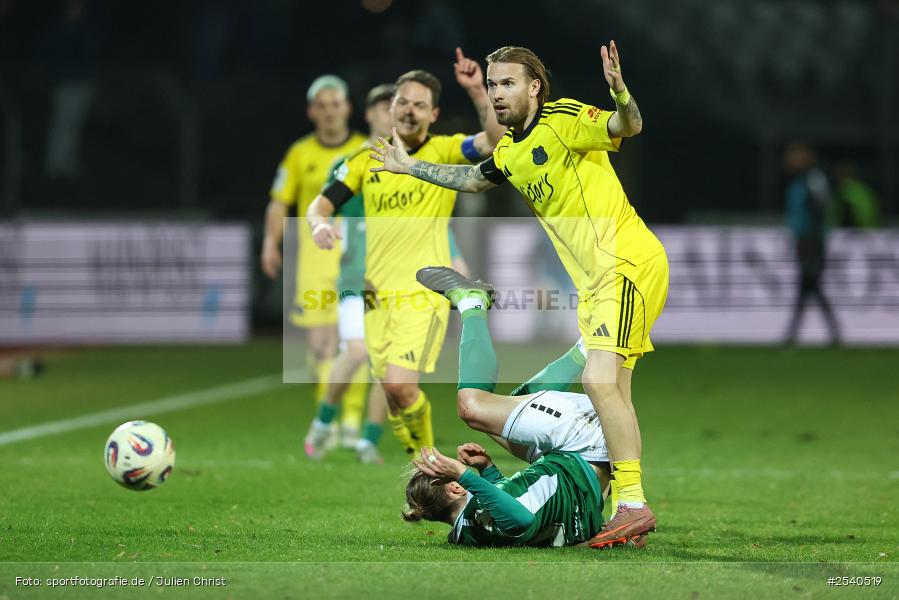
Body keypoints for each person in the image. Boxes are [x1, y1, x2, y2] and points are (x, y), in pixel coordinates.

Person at [370, 42, 666, 546]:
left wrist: (620, 92)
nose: (497, 93)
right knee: (614, 392)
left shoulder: (565, 118)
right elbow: (471, 178)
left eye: (507, 83)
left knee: (598, 382)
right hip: (594, 283)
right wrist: (410, 167)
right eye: (491, 85)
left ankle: (634, 504)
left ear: (534, 86)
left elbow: (628, 126)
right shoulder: (508, 151)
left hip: (626, 261)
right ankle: (625, 508)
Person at [307, 49, 505, 456]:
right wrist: (320, 224)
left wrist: (476, 93)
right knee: (395, 396)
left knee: (400, 385)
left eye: (420, 105)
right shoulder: (365, 160)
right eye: (403, 102)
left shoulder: (447, 150)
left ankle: (432, 468)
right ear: (391, 106)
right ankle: (423, 465)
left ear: (433, 115)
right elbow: (321, 204)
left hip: (423, 292)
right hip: (376, 297)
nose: (410, 111)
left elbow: (496, 141)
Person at [261, 75, 368, 448]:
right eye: (321, 106)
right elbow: (279, 201)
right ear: (311, 112)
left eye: (335, 105)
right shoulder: (299, 154)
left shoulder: (364, 150)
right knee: (320, 349)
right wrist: (269, 244)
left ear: (347, 108)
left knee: (353, 343)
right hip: (313, 264)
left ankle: (352, 422)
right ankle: (331, 422)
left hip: (356, 259)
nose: (329, 113)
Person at [783, 143, 841, 345]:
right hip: (804, 241)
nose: (789, 160)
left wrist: (813, 240)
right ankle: (832, 334)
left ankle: (791, 336)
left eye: (793, 156)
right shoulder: (799, 181)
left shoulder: (814, 179)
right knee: (810, 288)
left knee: (808, 286)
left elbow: (820, 209)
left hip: (812, 242)